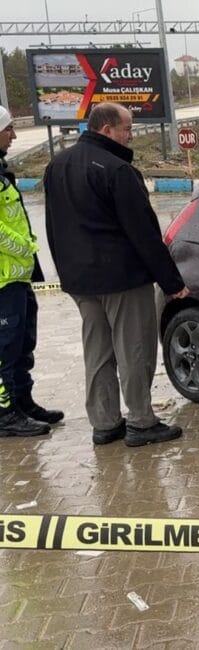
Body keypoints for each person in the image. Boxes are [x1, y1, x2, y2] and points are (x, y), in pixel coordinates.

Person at [43, 103, 189, 447]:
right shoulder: (117, 169)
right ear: (107, 129)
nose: (130, 135)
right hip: (122, 279)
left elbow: (53, 228)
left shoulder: (57, 165)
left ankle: (105, 423)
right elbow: (144, 232)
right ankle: (141, 422)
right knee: (134, 350)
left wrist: (66, 275)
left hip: (80, 281)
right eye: (127, 129)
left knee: (97, 351)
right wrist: (172, 282)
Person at [0, 105, 63, 438]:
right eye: (8, 128)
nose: (14, 135)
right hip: (3, 279)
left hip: (17, 277)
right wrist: (24, 248)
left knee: (23, 343)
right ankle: (5, 414)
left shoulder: (2, 171)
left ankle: (22, 402)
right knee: (4, 348)